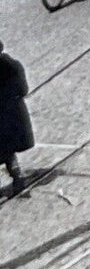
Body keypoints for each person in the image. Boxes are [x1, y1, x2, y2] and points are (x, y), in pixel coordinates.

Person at [0, 39, 33, 199]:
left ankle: (18, 180)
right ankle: (18, 180)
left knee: (5, 151)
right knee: (9, 152)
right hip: (13, 115)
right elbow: (23, 89)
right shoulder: (13, 65)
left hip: (4, 115)